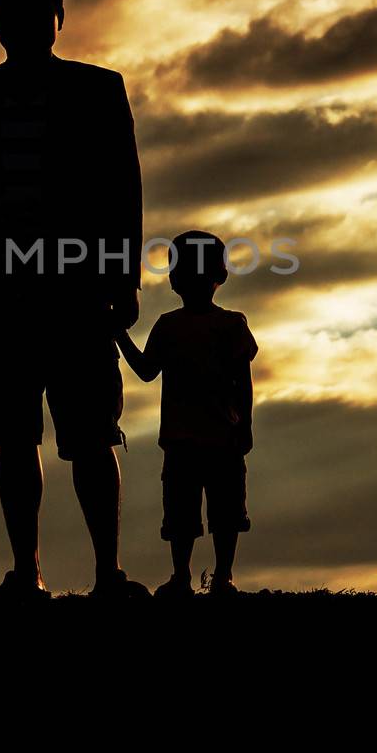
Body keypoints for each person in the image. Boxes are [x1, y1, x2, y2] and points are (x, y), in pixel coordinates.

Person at [0, 0, 144, 599]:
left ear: (58, 18)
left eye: (33, 12)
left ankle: (105, 572)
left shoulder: (99, 90)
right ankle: (30, 570)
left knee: (91, 432)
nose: (21, 25)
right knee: (19, 434)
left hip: (73, 287)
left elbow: (121, 190)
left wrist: (121, 276)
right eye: (11, 14)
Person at [115, 230, 257, 598]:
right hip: (189, 438)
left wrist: (246, 426)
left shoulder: (228, 325)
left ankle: (218, 576)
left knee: (220, 512)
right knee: (184, 513)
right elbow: (148, 370)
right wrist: (119, 335)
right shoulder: (174, 326)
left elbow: (243, 381)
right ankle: (187, 576)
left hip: (215, 436)